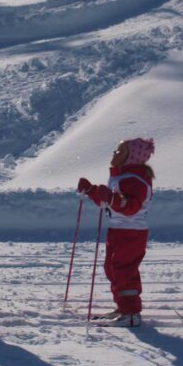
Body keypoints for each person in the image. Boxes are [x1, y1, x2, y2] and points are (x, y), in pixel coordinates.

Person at [77, 138, 155, 328]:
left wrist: (111, 198)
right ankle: (123, 308)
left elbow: (130, 207)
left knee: (123, 270)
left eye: (120, 151)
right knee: (112, 268)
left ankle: (131, 314)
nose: (114, 153)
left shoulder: (136, 180)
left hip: (131, 232)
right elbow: (108, 200)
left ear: (132, 157)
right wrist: (91, 190)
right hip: (118, 230)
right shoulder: (121, 176)